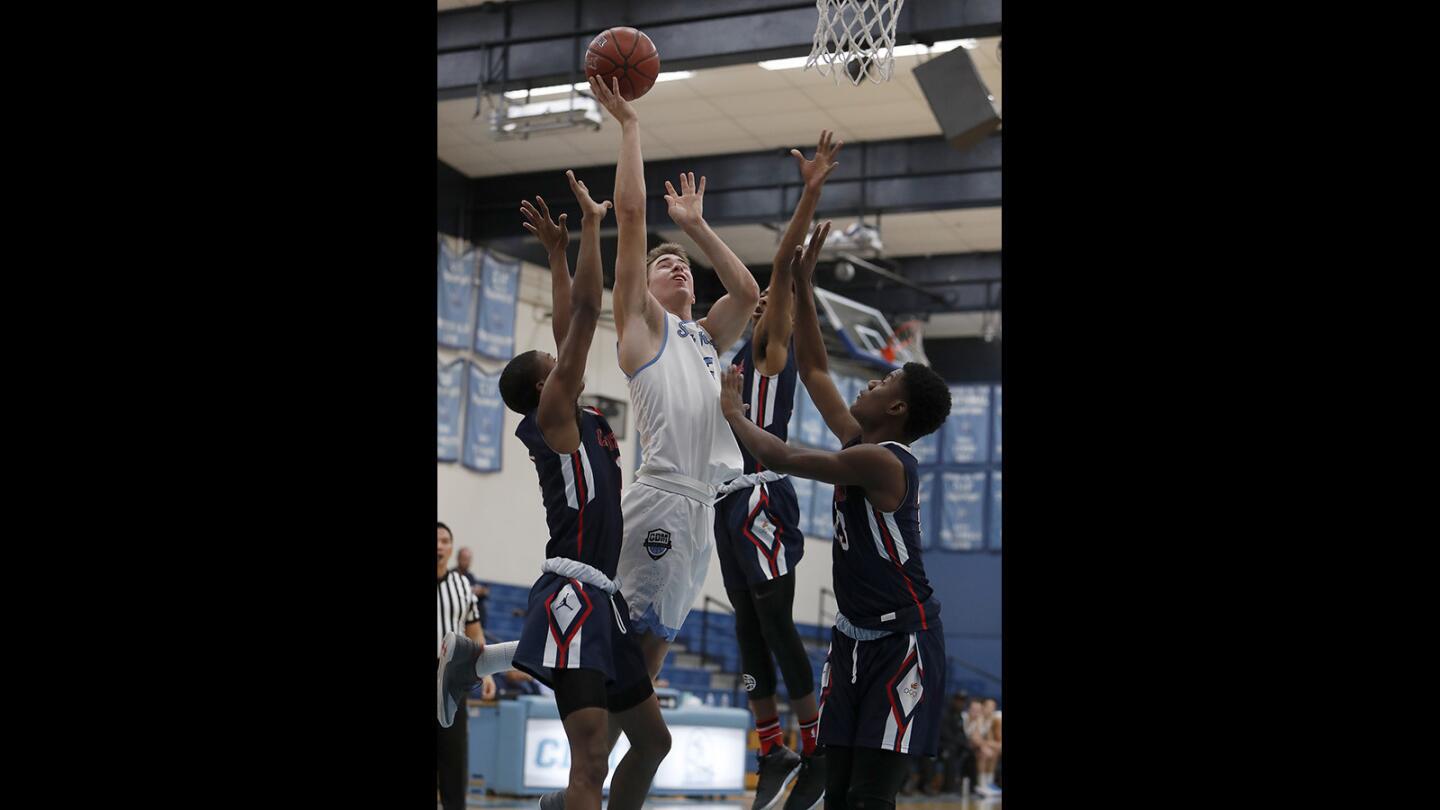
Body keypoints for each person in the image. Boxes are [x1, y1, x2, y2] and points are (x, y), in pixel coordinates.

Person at [438, 170, 671, 810]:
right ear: (547, 388)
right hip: (573, 589)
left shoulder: (568, 411)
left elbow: (571, 321)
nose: (561, 355)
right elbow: (588, 316)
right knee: (591, 759)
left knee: (653, 742)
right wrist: (594, 228)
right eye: (553, 363)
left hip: (607, 597)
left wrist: (557, 254)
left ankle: (556, 807)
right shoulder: (553, 417)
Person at [718, 222, 953, 810]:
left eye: (883, 380)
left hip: (902, 641)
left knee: (869, 796)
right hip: (852, 637)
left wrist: (734, 412)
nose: (870, 380)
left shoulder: (883, 462)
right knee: (838, 791)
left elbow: (786, 455)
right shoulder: (860, 442)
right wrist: (800, 282)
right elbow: (817, 371)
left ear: (896, 408)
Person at [587, 75, 760, 681]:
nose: (677, 264)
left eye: (682, 262)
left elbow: (748, 291)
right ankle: (585, 775)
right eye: (664, 262)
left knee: (649, 666)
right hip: (661, 497)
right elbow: (632, 216)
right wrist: (631, 127)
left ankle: (598, 774)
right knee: (622, 661)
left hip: (701, 509)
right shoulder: (642, 325)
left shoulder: (706, 338)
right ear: (644, 284)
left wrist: (696, 228)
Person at [711, 131, 842, 810]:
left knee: (776, 620)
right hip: (725, 502)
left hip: (762, 496)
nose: (762, 301)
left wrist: (810, 190)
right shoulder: (729, 358)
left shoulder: (768, 353)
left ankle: (816, 749)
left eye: (772, 298)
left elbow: (785, 263)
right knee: (745, 625)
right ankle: (774, 750)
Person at [436, 522, 496, 810]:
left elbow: (474, 632)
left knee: (453, 752)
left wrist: (485, 670)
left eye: (445, 540)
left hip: (451, 675)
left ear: (451, 547)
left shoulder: (461, 585)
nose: (439, 546)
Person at [454, 547, 490, 627]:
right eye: (465, 559)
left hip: (472, 619)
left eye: (469, 559)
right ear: (458, 559)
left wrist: (482, 591)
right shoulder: (452, 575)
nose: (467, 562)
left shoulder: (470, 576)